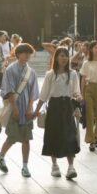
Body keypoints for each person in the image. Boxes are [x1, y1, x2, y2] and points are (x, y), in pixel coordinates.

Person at [37, 47, 81, 179]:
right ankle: (54, 165)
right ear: (56, 57)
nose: (64, 58)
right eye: (61, 56)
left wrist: (78, 99)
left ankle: (71, 167)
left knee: (70, 135)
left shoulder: (73, 74)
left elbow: (76, 91)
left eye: (66, 56)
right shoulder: (50, 74)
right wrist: (36, 110)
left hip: (67, 106)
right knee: (53, 135)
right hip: (54, 107)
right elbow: (43, 94)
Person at [0, 43, 39, 177]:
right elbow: (9, 91)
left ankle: (25, 166)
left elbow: (33, 92)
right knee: (12, 136)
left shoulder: (31, 72)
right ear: (18, 54)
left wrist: (30, 108)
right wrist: (14, 108)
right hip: (15, 106)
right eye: (24, 53)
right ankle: (1, 156)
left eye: (29, 53)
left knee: (26, 138)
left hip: (26, 108)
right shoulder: (10, 70)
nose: (27, 55)